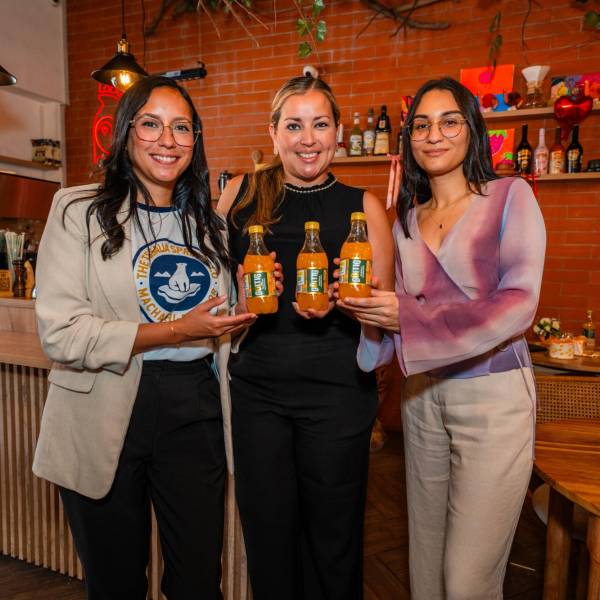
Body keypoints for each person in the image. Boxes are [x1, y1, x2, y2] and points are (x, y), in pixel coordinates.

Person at [33, 75, 257, 600]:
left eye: (182, 128)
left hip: (195, 406)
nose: (168, 140)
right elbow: (61, 332)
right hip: (104, 402)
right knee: (115, 583)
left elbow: (219, 329)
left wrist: (247, 310)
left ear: (195, 140)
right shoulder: (77, 210)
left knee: (198, 581)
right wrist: (177, 330)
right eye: (152, 124)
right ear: (126, 132)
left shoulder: (211, 226)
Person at [338, 77, 546, 599]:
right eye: (421, 125)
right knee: (427, 567)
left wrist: (404, 314)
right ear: (408, 139)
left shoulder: (509, 196)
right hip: (422, 397)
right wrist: (364, 308)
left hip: (492, 397)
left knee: (468, 577)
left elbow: (519, 304)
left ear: (472, 130)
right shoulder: (405, 223)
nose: (434, 135)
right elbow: (396, 330)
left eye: (449, 121)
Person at [217, 75, 394, 599]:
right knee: (267, 531)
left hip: (338, 394)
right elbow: (208, 297)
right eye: (293, 126)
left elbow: (384, 319)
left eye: (320, 124)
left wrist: (357, 303)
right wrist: (242, 302)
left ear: (338, 133)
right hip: (257, 395)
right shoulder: (240, 195)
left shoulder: (364, 206)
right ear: (273, 133)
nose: (308, 139)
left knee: (334, 537)